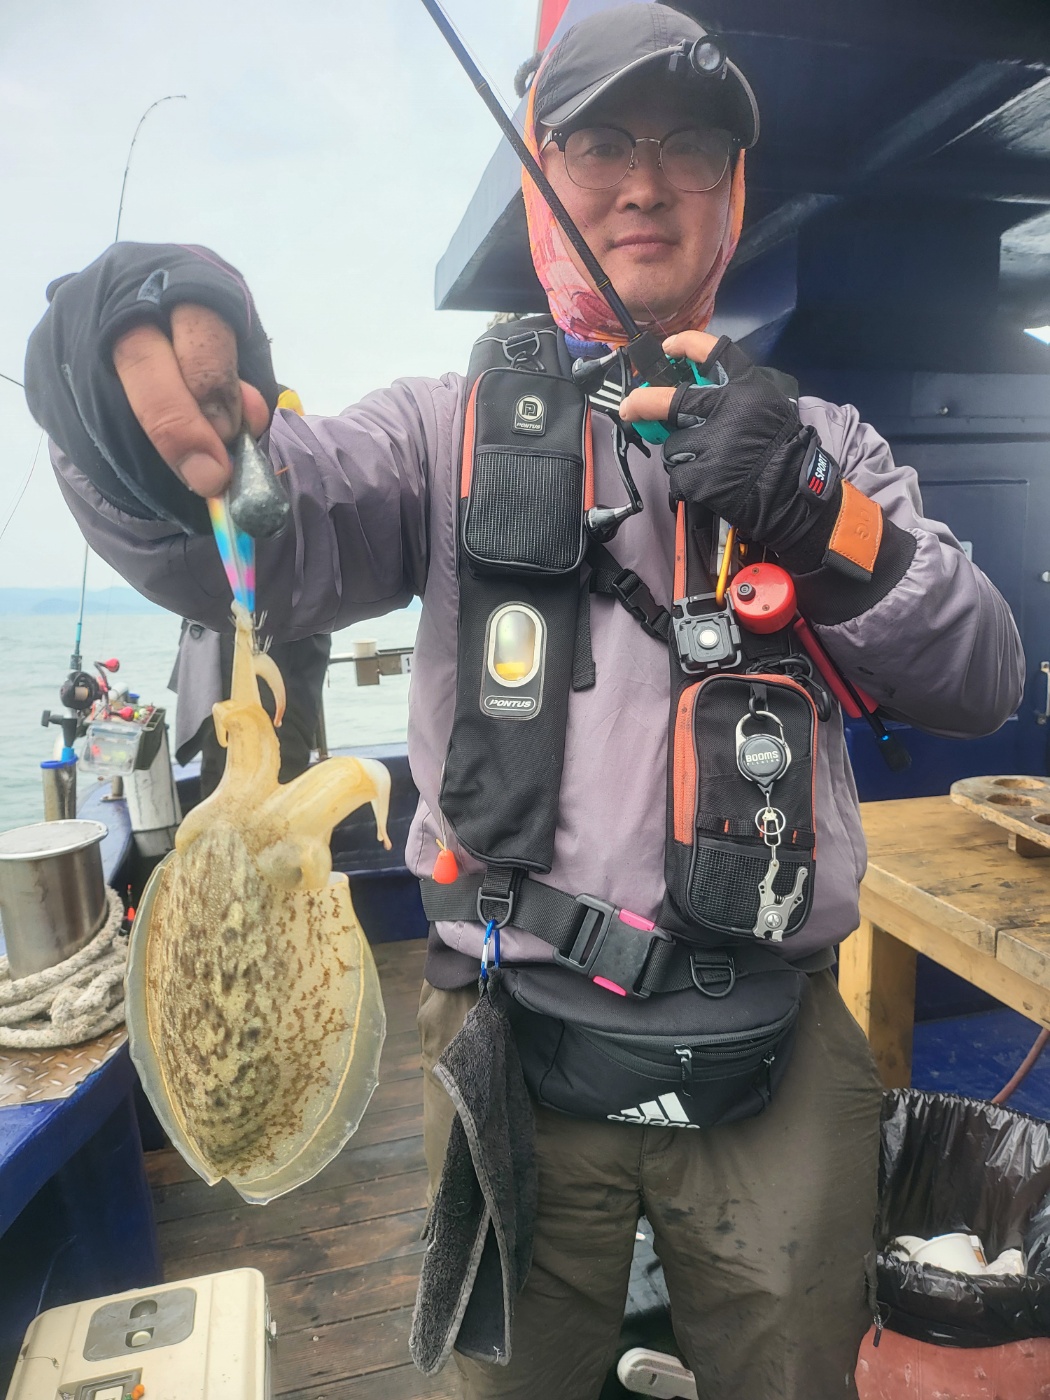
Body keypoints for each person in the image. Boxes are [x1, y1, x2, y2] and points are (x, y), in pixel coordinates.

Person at [23, 6, 1023, 1397]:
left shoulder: (827, 443)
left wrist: (815, 512)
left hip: (773, 1048)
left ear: (733, 191)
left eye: (689, 146)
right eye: (598, 143)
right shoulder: (435, 433)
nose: (642, 182)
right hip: (510, 1040)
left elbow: (982, 676)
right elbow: (247, 529)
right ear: (544, 181)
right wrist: (116, 386)